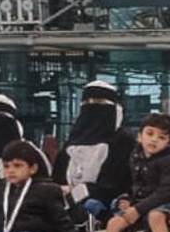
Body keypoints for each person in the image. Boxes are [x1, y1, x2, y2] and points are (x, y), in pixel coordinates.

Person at [53, 81, 135, 220]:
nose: (92, 107)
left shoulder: (122, 142)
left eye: (99, 103)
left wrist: (81, 191)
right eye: (87, 103)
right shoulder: (70, 144)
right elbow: (57, 181)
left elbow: (118, 183)